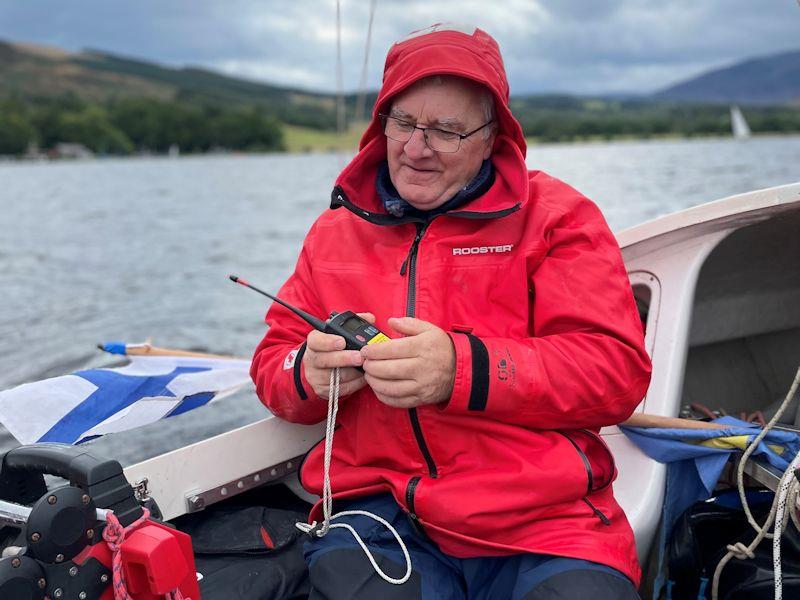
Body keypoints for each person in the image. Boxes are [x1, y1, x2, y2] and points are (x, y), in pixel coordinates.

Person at [251, 23, 651, 599]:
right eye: (405, 123)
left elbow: (615, 374)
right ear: (381, 124)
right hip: (380, 519)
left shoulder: (559, 219)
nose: (416, 147)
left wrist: (459, 370)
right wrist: (308, 375)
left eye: (445, 130)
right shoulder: (333, 233)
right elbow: (273, 367)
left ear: (491, 137)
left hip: (544, 525)